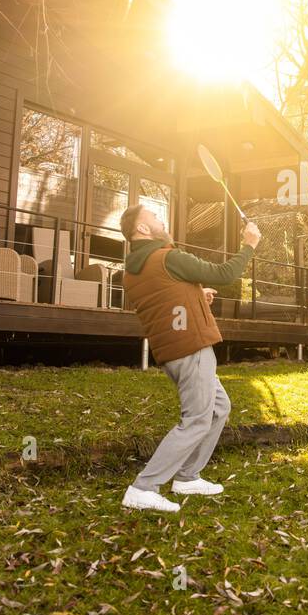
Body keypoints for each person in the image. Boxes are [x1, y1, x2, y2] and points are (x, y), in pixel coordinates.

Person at [118, 203, 261, 513]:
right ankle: (144, 487)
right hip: (191, 349)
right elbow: (226, 273)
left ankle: (187, 476)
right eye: (153, 217)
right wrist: (248, 246)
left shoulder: (133, 269)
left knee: (219, 408)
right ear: (142, 229)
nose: (160, 219)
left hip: (172, 351)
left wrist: (197, 295)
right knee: (196, 419)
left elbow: (165, 297)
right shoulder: (168, 257)